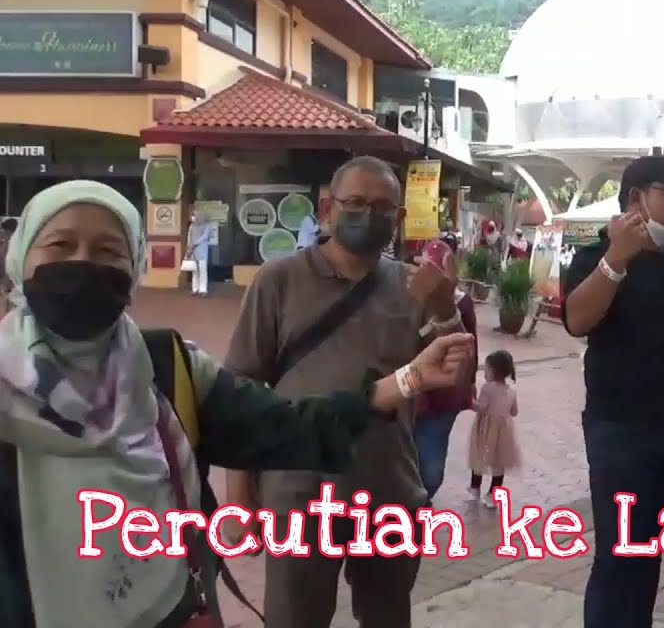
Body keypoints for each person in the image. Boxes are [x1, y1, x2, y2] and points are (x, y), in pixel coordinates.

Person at [0, 180, 474, 628]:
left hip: (171, 610)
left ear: (134, 265)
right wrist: (242, 501)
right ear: (20, 258)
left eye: (108, 251)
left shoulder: (167, 368)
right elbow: (252, 371)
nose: (83, 264)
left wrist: (409, 377)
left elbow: (282, 425)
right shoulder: (280, 279)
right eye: (60, 245)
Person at [221, 156, 467, 628]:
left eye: (381, 207)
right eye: (354, 203)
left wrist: (444, 309)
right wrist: (240, 499)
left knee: (387, 617)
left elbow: (457, 377)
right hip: (299, 492)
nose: (367, 215)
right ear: (327, 209)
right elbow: (241, 389)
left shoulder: (413, 285)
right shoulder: (279, 280)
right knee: (295, 619)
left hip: (388, 488)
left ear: (398, 218)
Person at [561, 155, 664, 628]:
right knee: (617, 556)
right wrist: (616, 260)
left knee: (648, 550)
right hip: (620, 429)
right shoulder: (594, 256)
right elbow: (576, 319)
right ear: (635, 199)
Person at [413, 236, 479, 505]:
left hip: (444, 399)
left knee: (431, 472)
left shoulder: (462, 303)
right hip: (410, 395)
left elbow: (470, 344)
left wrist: (470, 382)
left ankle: (417, 504)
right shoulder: (407, 299)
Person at [468, 350, 520, 508]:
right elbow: (514, 412)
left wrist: (470, 401)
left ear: (493, 371)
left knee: (479, 456)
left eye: (487, 369)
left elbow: (481, 407)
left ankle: (475, 488)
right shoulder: (512, 391)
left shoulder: (487, 388)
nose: (485, 372)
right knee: (499, 463)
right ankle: (493, 495)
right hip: (504, 432)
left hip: (486, 430)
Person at [185, 211, 217, 296]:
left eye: (194, 216)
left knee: (203, 270)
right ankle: (195, 289)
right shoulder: (192, 226)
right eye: (192, 216)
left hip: (202, 249)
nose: (193, 217)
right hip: (193, 250)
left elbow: (205, 237)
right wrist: (189, 246)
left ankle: (203, 289)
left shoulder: (207, 226)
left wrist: (194, 243)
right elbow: (189, 236)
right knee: (194, 270)